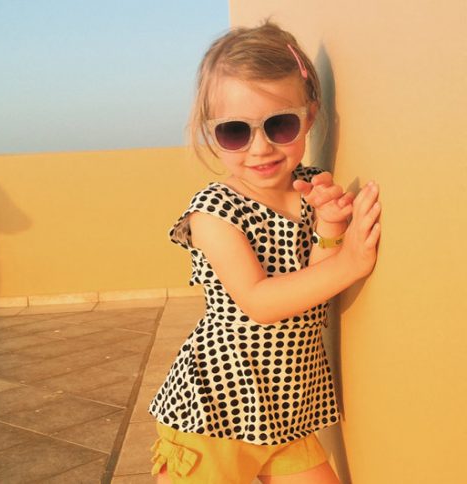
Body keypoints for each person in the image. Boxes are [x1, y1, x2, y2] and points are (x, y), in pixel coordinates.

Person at [147, 21, 380, 483]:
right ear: (211, 134)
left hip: (286, 414)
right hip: (214, 416)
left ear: (310, 116)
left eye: (281, 124)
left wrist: (331, 229)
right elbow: (260, 301)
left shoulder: (311, 185)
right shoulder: (213, 212)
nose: (261, 147)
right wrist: (352, 261)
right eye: (236, 132)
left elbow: (313, 283)